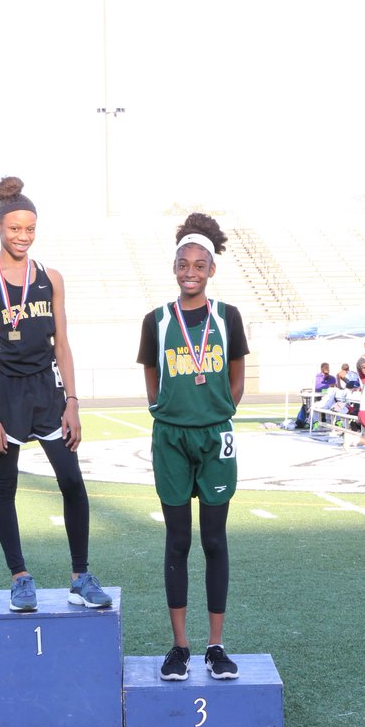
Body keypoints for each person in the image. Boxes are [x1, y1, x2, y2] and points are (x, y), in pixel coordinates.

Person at [0, 176, 111, 613]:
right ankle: (19, 577)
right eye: (14, 229)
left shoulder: (51, 277)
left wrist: (72, 401)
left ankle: (80, 576)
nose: (22, 237)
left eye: (29, 229)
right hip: (5, 394)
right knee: (5, 485)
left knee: (71, 480)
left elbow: (62, 343)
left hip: (47, 391)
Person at [137, 212, 249, 682]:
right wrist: (163, 406)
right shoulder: (158, 320)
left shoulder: (228, 317)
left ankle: (215, 646)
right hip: (171, 438)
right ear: (174, 267)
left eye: (199, 265)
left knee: (214, 541)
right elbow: (150, 375)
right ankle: (180, 646)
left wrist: (221, 406)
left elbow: (238, 373)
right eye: (183, 264)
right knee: (178, 541)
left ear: (211, 270)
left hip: (214, 435)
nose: (190, 272)